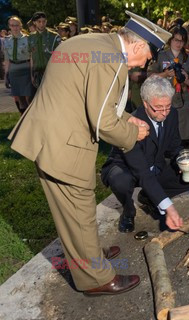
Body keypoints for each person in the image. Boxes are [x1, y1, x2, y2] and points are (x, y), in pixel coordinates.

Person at [8, 11, 169, 296]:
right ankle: (95, 278)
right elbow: (103, 122)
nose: (146, 63)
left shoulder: (93, 43)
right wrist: (134, 133)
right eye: (148, 56)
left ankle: (90, 256)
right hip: (63, 147)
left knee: (74, 214)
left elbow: (86, 98)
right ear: (138, 46)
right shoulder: (112, 63)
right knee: (80, 212)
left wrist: (126, 119)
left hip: (50, 137)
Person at [101, 75, 189, 233]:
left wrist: (186, 162)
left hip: (154, 166)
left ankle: (148, 198)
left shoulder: (172, 114)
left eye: (167, 106)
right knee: (120, 180)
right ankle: (128, 212)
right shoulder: (133, 122)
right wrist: (168, 207)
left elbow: (174, 146)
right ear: (145, 103)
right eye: (158, 108)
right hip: (127, 167)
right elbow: (141, 171)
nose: (164, 113)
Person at [148, 26, 189, 142]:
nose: (179, 43)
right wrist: (165, 74)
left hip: (182, 99)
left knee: (183, 135)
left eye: (181, 41)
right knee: (165, 134)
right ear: (170, 40)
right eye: (176, 40)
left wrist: (185, 79)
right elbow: (149, 77)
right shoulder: (160, 56)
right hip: (164, 98)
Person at [3, 16, 34, 113]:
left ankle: (32, 117)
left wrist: (32, 72)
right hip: (14, 69)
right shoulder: (6, 40)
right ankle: (23, 118)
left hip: (26, 68)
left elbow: (32, 57)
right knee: (20, 98)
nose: (15, 27)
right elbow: (7, 58)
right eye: (12, 25)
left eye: (16, 25)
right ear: (9, 27)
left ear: (20, 26)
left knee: (29, 96)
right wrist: (6, 74)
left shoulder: (28, 39)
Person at [28, 12, 61, 88]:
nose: (42, 24)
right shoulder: (31, 38)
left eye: (44, 21)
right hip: (37, 74)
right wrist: (31, 75)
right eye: (39, 21)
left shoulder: (54, 36)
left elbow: (59, 56)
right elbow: (31, 57)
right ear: (34, 22)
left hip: (51, 73)